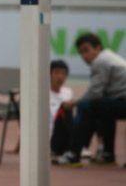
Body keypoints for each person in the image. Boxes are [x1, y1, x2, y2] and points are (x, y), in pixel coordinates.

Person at [52, 33, 126, 167]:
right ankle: (107, 154)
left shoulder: (101, 61)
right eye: (81, 53)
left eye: (87, 50)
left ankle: (73, 154)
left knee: (86, 107)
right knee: (102, 108)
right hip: (121, 100)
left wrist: (74, 102)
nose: (84, 56)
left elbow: (95, 93)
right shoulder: (109, 57)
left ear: (98, 48)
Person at [48, 60, 74, 155]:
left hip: (65, 135)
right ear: (49, 74)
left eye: (63, 73)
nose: (60, 77)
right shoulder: (41, 93)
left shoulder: (68, 92)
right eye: (57, 73)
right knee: (64, 109)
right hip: (49, 138)